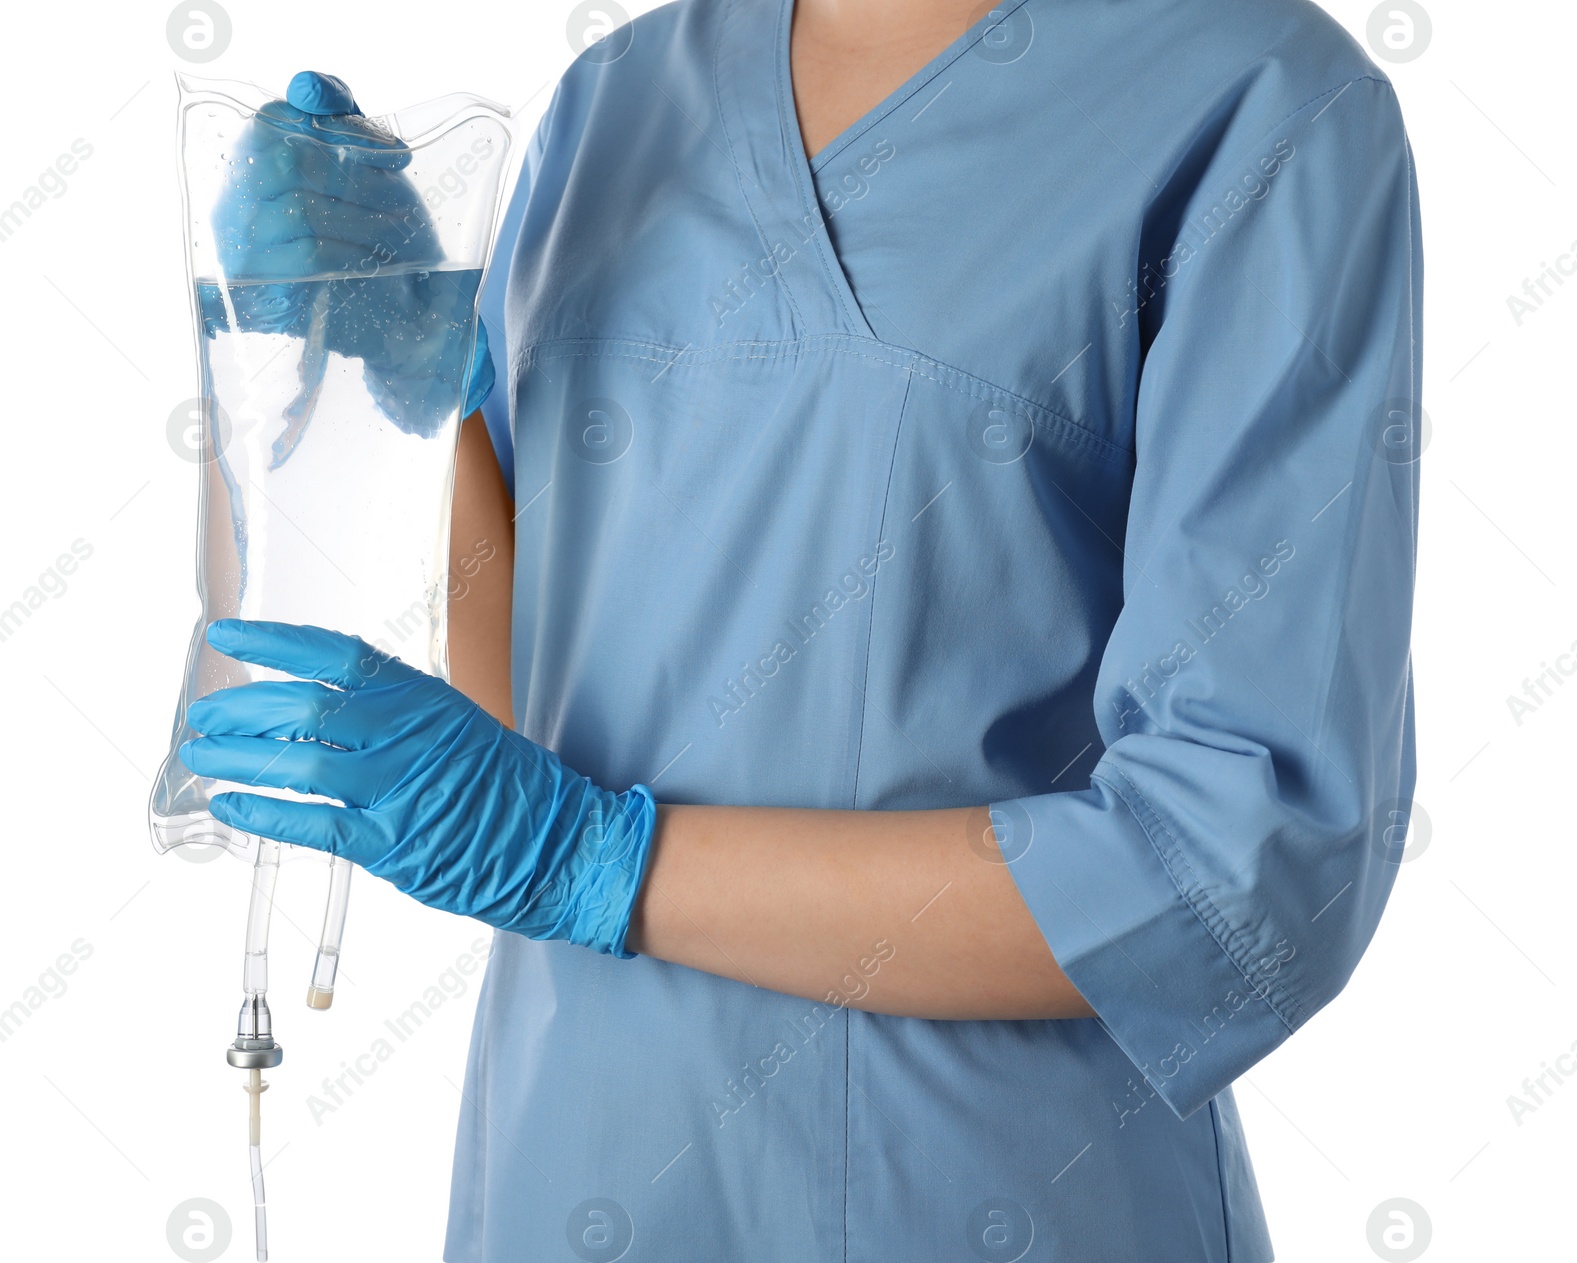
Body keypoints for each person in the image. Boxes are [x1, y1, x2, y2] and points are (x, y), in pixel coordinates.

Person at [181, 0, 1423, 1256]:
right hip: (573, 1168)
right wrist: (372, 354)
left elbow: (1239, 873)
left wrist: (598, 865)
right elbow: (525, 699)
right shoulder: (616, 99)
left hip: (979, 1194)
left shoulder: (1255, 104)